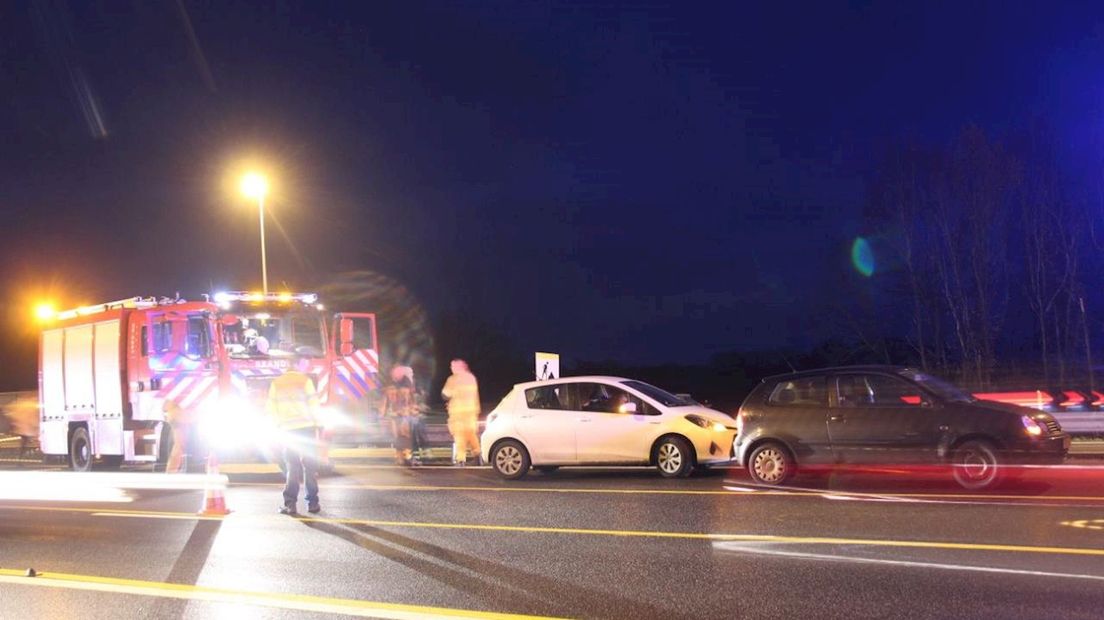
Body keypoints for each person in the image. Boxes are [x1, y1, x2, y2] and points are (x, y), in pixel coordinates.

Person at [267, 355, 321, 515]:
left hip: (288, 431)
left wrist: (276, 429)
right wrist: (319, 426)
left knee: (292, 467)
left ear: (286, 366)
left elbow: (271, 411)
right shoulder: (305, 381)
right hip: (307, 429)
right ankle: (313, 503)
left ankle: (290, 504)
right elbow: (314, 406)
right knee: (310, 467)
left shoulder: (277, 383)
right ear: (297, 365)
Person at [442, 359, 481, 465]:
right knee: (471, 435)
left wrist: (449, 399)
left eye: (453, 366)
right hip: (471, 411)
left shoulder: (453, 379)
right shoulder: (471, 378)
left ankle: (460, 459)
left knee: (459, 436)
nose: (451, 368)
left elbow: (445, 394)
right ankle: (478, 456)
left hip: (457, 412)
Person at [382, 365, 416, 465]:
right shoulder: (396, 384)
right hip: (397, 416)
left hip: (402, 415)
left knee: (404, 435)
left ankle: (405, 456)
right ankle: (401, 456)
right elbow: (388, 400)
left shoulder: (403, 383)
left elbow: (408, 400)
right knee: (399, 436)